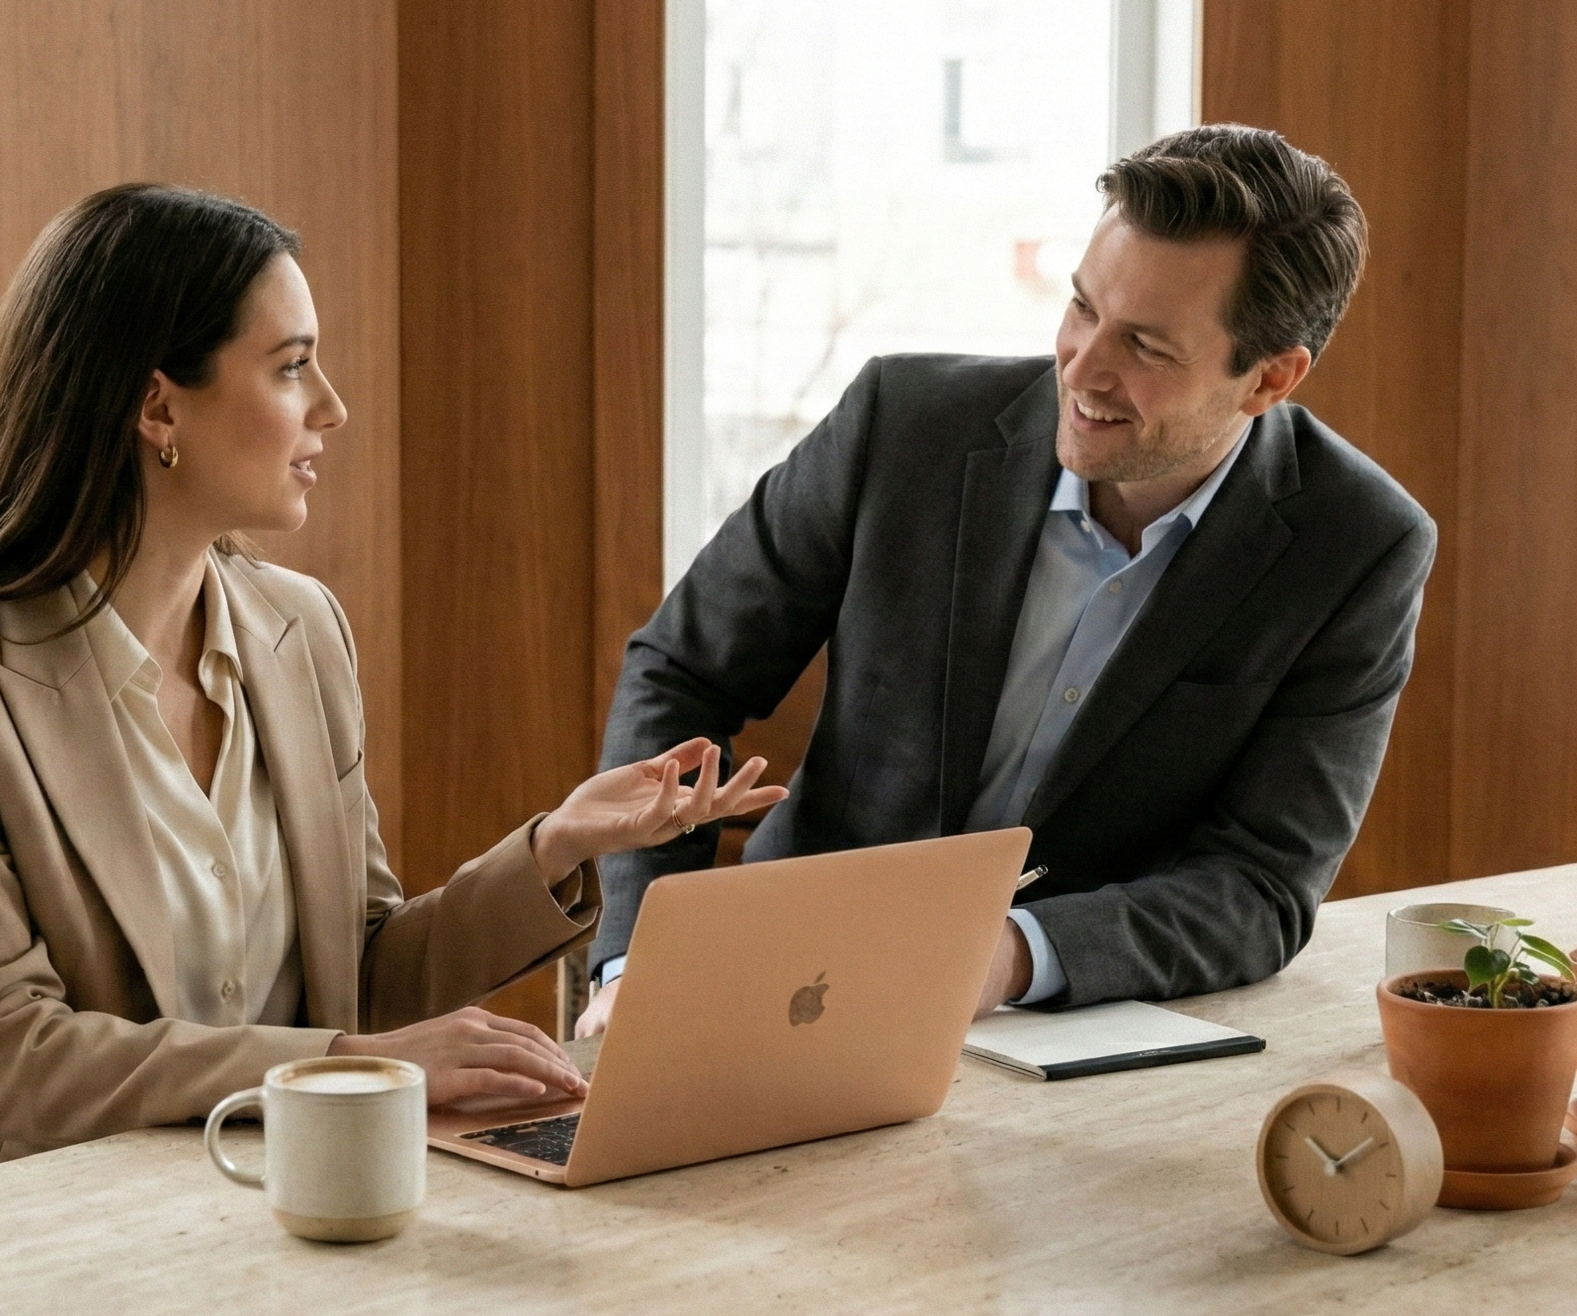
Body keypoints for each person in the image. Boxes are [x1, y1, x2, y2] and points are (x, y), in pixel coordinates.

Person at [0, 184, 783, 1211]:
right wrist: (346, 1064)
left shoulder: (299, 629)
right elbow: (4, 1054)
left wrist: (555, 849)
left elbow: (357, 970)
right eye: (290, 367)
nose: (331, 408)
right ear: (156, 406)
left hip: (225, 1205)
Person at [579, 125, 1432, 1037]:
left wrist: (1008, 955)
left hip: (1064, 1031)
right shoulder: (901, 425)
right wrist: (640, 956)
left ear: (1270, 379)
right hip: (788, 985)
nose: (1084, 365)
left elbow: (1260, 884)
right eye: (1080, 307)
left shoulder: (1357, 546)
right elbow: (682, 673)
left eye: (1145, 346)